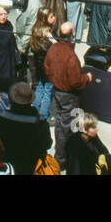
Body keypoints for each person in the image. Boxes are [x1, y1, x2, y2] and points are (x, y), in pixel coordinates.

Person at [45, 20, 92, 167]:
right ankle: (62, 159)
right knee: (67, 128)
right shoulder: (71, 56)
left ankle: (60, 153)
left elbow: (46, 67)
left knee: (60, 123)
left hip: (57, 92)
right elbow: (76, 82)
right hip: (69, 96)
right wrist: (87, 77)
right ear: (73, 34)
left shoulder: (53, 49)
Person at [0, 81, 51, 175]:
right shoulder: (39, 122)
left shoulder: (1, 118)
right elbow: (47, 144)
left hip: (7, 166)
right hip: (31, 166)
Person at [65, 110, 110, 175]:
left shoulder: (93, 137)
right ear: (84, 130)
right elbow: (74, 170)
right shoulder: (74, 146)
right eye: (93, 127)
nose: (97, 129)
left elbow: (104, 150)